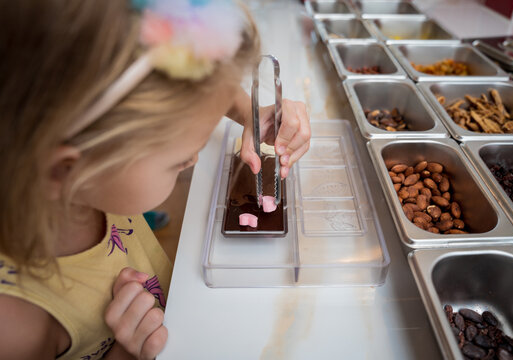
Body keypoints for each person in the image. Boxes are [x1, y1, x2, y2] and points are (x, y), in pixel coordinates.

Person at [0, 1, 310, 359]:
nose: (193, 160)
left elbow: (208, 94)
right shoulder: (18, 327)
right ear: (64, 171)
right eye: (180, 159)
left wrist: (252, 114)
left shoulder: (92, 183)